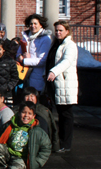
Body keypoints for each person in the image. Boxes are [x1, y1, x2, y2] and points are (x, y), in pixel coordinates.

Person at [0, 101, 52, 169]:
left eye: (29, 113)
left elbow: (46, 148)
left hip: (21, 158)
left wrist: (37, 162)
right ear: (19, 113)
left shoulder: (37, 131)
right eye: (24, 112)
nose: (26, 115)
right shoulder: (10, 125)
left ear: (34, 116)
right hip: (9, 153)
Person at [46, 21, 78, 152]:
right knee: (59, 112)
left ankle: (66, 144)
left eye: (61, 30)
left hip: (64, 83)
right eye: (57, 30)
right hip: (54, 83)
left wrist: (54, 71)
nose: (58, 33)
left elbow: (66, 61)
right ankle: (58, 141)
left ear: (67, 31)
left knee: (66, 114)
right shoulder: (55, 44)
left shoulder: (70, 45)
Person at [16, 13, 53, 92]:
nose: (33, 26)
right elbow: (18, 52)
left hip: (38, 75)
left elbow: (42, 60)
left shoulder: (45, 39)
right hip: (24, 73)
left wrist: (24, 61)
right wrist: (19, 57)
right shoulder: (26, 37)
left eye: (35, 23)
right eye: (31, 24)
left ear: (41, 25)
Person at [22, 87, 60, 152]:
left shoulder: (43, 111)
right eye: (27, 96)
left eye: (32, 96)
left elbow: (53, 130)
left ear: (36, 97)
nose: (29, 98)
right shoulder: (17, 110)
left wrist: (55, 146)